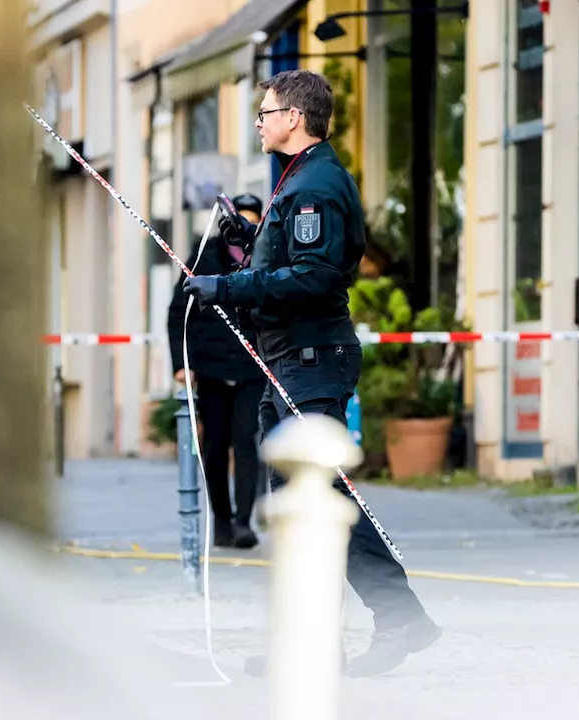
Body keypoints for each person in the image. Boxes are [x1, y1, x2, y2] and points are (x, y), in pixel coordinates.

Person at [182, 69, 440, 678]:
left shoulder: (315, 186)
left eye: (266, 111)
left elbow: (315, 278)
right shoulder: (301, 180)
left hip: (308, 361)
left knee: (309, 504)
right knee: (316, 499)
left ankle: (345, 636)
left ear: (294, 118)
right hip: (292, 360)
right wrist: (251, 240)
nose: (260, 121)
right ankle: (382, 623)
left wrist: (227, 284)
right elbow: (300, 263)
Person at [168, 193, 267, 550]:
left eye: (250, 221)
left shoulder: (265, 258)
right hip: (210, 368)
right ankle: (221, 520)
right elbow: (179, 312)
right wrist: (182, 364)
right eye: (237, 220)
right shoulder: (201, 258)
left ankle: (243, 522)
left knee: (245, 442)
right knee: (214, 447)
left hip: (250, 368)